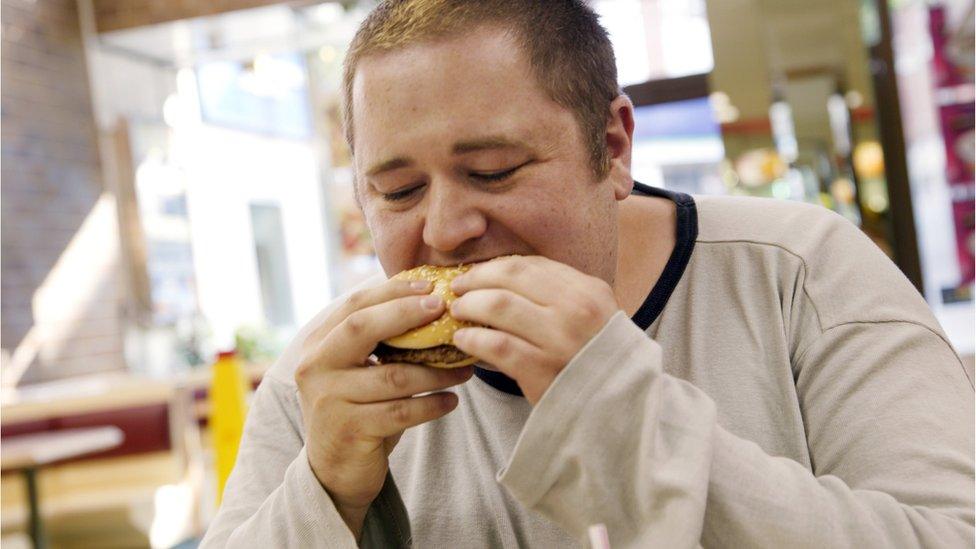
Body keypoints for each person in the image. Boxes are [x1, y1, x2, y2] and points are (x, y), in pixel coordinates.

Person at [200, 1, 974, 547]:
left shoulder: (799, 277)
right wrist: (326, 494)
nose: (443, 228)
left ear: (613, 145)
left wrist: (623, 410)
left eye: (494, 169)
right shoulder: (326, 379)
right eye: (398, 191)